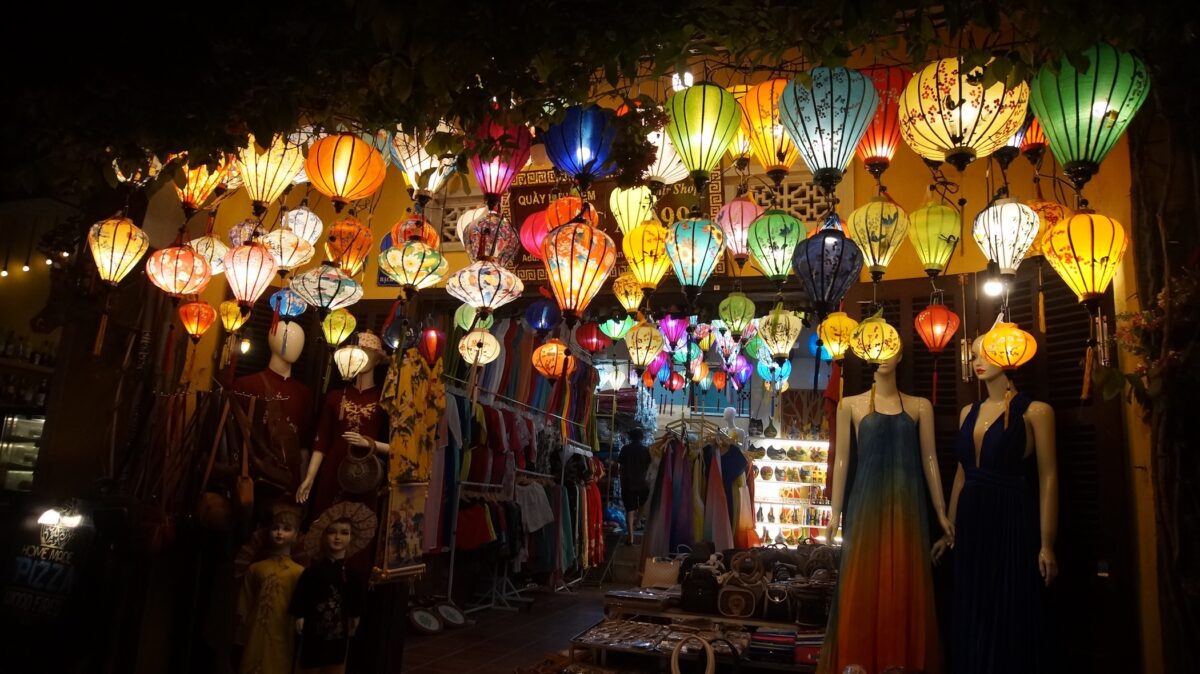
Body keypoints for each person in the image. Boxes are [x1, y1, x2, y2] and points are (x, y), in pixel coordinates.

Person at [290, 503, 377, 674]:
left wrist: (355, 616)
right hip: (314, 626)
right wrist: (299, 615)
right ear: (324, 536)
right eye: (332, 532)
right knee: (309, 663)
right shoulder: (313, 571)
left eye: (344, 533)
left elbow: (356, 599)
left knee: (336, 663)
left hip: (339, 629)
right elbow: (303, 593)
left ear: (352, 537)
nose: (338, 537)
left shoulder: (352, 574)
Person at [236, 505, 305, 674]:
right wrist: (239, 633)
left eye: (286, 529)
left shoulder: (299, 572)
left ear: (296, 535)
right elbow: (244, 603)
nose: (279, 533)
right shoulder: (256, 568)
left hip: (283, 628)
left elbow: (300, 605)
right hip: (255, 629)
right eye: (276, 528)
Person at [616, 427, 652, 545]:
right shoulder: (645, 450)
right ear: (641, 438)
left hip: (628, 483)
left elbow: (621, 467)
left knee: (629, 510)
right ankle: (638, 521)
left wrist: (621, 480)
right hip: (642, 483)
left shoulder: (625, 449)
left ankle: (630, 537)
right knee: (642, 504)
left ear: (631, 437)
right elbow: (649, 467)